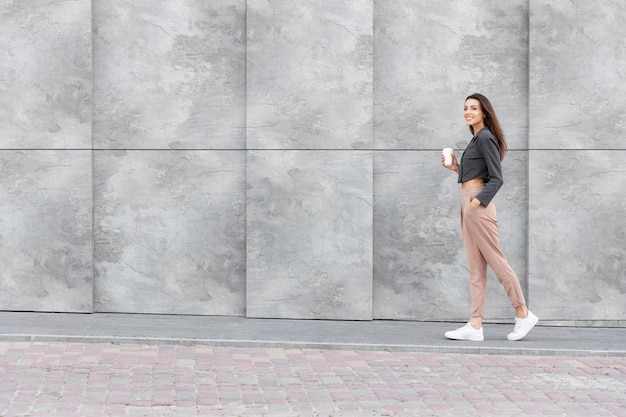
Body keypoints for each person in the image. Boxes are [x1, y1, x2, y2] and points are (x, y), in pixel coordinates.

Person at [441, 93, 538, 342]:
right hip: (468, 200)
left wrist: (477, 201)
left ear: (484, 111)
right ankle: (475, 325)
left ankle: (523, 313)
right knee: (476, 268)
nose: (468, 111)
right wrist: (456, 168)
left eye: (474, 108)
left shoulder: (485, 138)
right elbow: (474, 173)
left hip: (477, 203)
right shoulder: (476, 138)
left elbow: (497, 178)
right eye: (465, 108)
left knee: (496, 260)